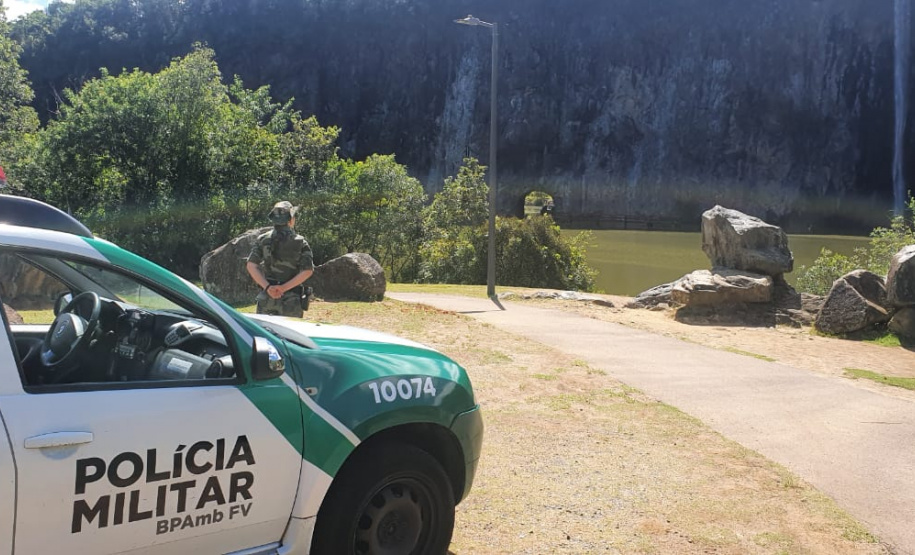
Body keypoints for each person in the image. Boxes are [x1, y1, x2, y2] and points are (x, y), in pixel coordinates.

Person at [246, 201, 314, 317]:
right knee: (289, 334)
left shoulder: (262, 239)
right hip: (291, 300)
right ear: (291, 219)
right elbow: (307, 270)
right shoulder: (300, 242)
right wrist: (283, 288)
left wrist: (267, 287)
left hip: (266, 298)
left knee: (265, 334)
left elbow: (251, 265)